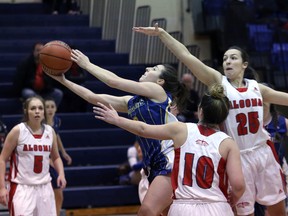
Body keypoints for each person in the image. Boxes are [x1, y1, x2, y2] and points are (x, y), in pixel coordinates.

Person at [132, 24, 288, 215]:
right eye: (224, 59)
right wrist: (162, 34)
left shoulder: (258, 88)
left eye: (233, 58)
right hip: (238, 156)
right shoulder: (219, 83)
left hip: (263, 153)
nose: (227, 61)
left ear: (244, 64)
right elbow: (187, 57)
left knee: (278, 209)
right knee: (244, 212)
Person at [46, 51, 189, 216]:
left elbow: (113, 81)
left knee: (147, 211)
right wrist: (63, 80)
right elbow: (92, 97)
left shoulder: (157, 91)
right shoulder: (132, 102)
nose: (148, 67)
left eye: (155, 68)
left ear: (160, 81)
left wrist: (86, 64)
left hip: (168, 158)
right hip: (153, 163)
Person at [93, 84, 245, 216]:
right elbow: (238, 185)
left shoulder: (181, 129)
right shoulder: (229, 143)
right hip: (217, 207)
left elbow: (143, 129)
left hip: (184, 207)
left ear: (200, 111)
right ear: (224, 116)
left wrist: (116, 119)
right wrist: (233, 200)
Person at [0, 96, 66, 215]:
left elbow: (56, 157)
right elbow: (2, 159)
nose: (37, 111)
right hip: (22, 188)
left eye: (40, 108)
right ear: (26, 111)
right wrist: (2, 187)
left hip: (45, 187)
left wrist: (61, 173)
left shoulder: (50, 131)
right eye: (33, 108)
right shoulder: (18, 131)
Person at [13, 42, 63, 107]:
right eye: (38, 50)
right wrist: (18, 95)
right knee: (30, 94)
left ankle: (48, 114)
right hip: (30, 89)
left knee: (58, 93)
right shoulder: (25, 63)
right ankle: (38, 112)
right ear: (33, 52)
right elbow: (18, 80)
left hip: (44, 91)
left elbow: (52, 82)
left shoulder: (48, 63)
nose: (40, 52)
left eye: (42, 50)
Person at [45, 97, 72, 216]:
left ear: (56, 108)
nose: (50, 109)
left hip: (53, 160)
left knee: (59, 193)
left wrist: (64, 152)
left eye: (52, 106)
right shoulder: (41, 124)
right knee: (48, 193)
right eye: (47, 107)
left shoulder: (57, 120)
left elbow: (57, 136)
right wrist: (48, 160)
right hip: (44, 161)